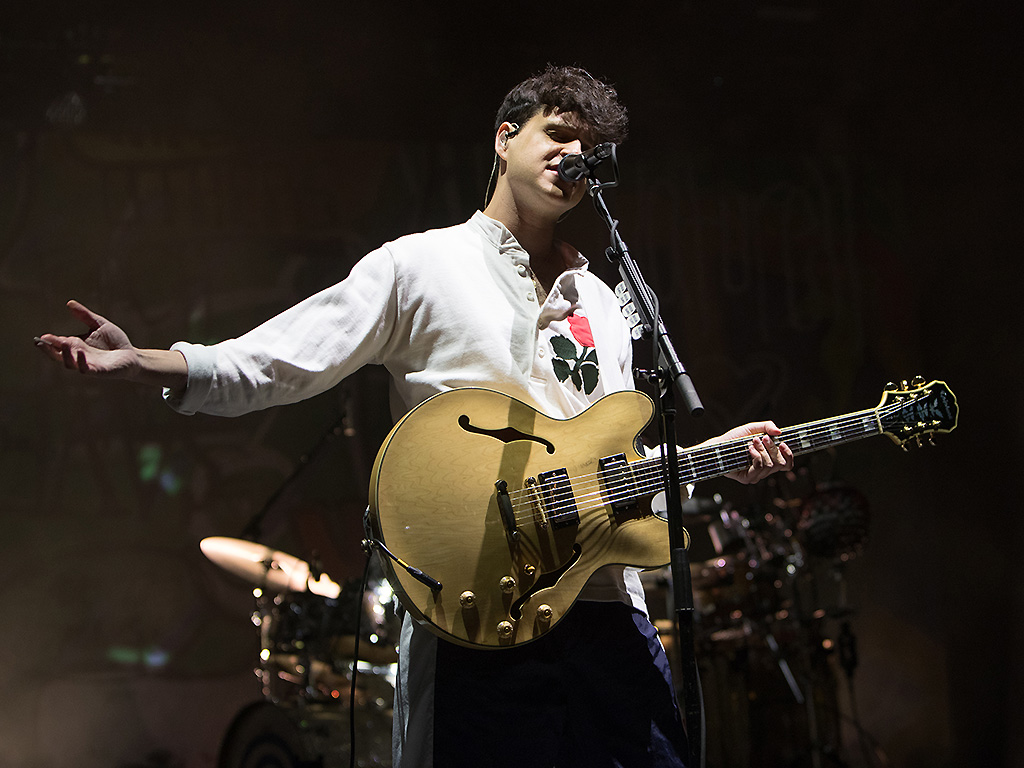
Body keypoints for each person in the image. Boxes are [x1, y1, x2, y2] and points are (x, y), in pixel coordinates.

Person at [37, 65, 793, 768]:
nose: (574, 155)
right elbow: (284, 357)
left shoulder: (605, 297)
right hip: (474, 609)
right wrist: (149, 361)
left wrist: (711, 458)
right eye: (558, 134)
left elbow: (609, 471)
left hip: (605, 611)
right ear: (505, 139)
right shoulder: (421, 266)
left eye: (592, 147)